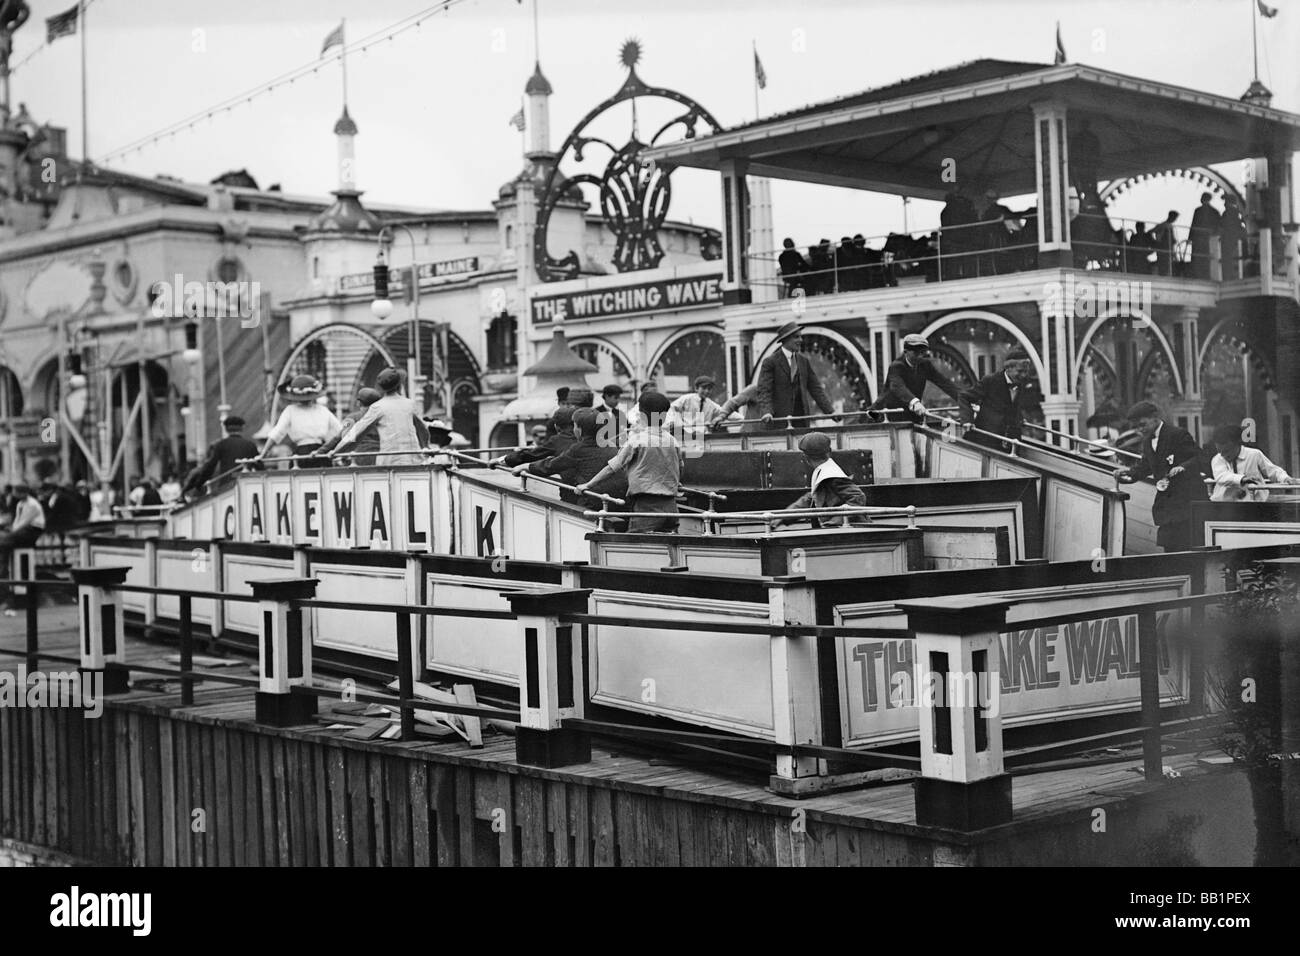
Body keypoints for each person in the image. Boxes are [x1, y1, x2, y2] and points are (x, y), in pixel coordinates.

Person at [577, 391, 682, 532]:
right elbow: (680, 466)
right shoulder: (672, 440)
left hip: (647, 505)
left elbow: (612, 467)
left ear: (641, 414)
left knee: (635, 545)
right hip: (671, 506)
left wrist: (588, 485)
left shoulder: (637, 439)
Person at [1116, 401, 1206, 552]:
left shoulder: (1178, 434)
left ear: (1155, 417)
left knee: (1190, 551)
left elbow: (1200, 459)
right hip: (1167, 509)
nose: (1140, 429)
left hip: (1187, 506)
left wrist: (1182, 467)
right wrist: (1127, 475)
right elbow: (1145, 467)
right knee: (1170, 551)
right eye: (1136, 426)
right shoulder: (1147, 442)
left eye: (1142, 424)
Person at [521, 408, 629, 506]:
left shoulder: (579, 449)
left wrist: (527, 466)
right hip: (618, 501)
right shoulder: (611, 444)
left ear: (580, 430)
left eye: (574, 425)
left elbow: (551, 466)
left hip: (594, 502)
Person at [331, 368, 429, 467]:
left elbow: (356, 432)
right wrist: (426, 447)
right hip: (413, 460)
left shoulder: (378, 407)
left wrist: (335, 451)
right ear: (399, 385)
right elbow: (423, 429)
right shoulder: (410, 404)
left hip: (390, 462)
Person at [776, 432, 868, 528]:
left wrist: (835, 522)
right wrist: (782, 517)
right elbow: (811, 498)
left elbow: (858, 498)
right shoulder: (824, 470)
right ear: (829, 452)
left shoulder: (832, 474)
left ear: (806, 457)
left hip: (851, 530)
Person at [755, 322, 836, 428]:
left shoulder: (803, 361)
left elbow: (816, 389)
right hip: (779, 421)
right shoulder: (770, 362)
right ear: (786, 339)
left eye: (800, 337)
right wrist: (767, 412)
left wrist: (831, 412)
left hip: (802, 420)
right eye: (796, 337)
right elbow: (764, 390)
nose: (800, 340)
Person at [959, 348, 1042, 451]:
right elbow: (964, 397)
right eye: (1020, 371)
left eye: (1025, 372)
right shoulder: (990, 381)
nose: (1023, 375)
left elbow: (1012, 405)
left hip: (1010, 442)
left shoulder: (1021, 382)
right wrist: (967, 420)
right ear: (1008, 368)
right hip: (986, 440)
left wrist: (1019, 417)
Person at [871, 334, 963, 423]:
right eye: (916, 353)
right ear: (906, 352)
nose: (920, 356)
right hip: (886, 415)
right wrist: (914, 402)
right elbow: (897, 387)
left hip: (911, 415)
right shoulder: (896, 366)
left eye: (922, 353)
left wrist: (964, 400)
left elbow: (944, 383)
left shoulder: (925, 365)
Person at [260, 375, 343, 468]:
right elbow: (341, 431)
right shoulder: (323, 410)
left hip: (301, 455)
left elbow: (277, 433)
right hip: (322, 454)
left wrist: (264, 452)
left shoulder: (290, 410)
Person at [1209, 423, 1299, 502]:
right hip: (1226, 505)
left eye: (1227, 451)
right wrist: (1242, 479)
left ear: (1238, 443)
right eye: (1219, 451)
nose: (1223, 455)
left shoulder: (1254, 454)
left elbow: (1272, 470)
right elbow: (1221, 477)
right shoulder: (1217, 459)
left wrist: (1286, 478)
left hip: (1254, 503)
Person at [184, 415, 263, 496]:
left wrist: (199, 484)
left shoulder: (220, 445)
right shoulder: (250, 445)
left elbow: (210, 466)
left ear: (226, 429)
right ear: (242, 428)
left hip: (226, 488)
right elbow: (260, 467)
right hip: (246, 486)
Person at [0, 483, 44, 610]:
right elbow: (17, 521)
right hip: (22, 530)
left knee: (4, 541)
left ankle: (3, 565)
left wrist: (11, 533)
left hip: (32, 530)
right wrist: (11, 530)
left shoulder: (32, 505)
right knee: (3, 538)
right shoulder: (20, 504)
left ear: (23, 493)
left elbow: (24, 522)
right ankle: (3, 563)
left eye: (16, 492)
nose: (14, 494)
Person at [317, 389, 383, 466]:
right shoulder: (382, 416)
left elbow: (340, 438)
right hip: (382, 456)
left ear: (358, 403)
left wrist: (320, 451)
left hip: (359, 458)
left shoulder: (352, 418)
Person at [500, 406, 577, 468]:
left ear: (556, 426)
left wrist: (504, 460)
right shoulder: (583, 438)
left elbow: (532, 456)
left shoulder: (558, 440)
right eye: (540, 437)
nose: (542, 440)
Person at [666, 376, 723, 442]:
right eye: (704, 388)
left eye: (709, 389)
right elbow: (671, 408)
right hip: (685, 435)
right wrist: (672, 421)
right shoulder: (687, 399)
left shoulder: (711, 404)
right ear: (696, 388)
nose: (707, 391)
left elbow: (725, 412)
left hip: (702, 437)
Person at [1189, 192, 1222, 280]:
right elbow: (1219, 226)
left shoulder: (1198, 211)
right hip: (1209, 239)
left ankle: (1197, 275)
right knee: (1208, 258)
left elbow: (1194, 225)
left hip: (1198, 239)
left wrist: (1190, 238)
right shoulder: (1215, 212)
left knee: (1198, 258)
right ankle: (1207, 275)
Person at [1069, 118, 1101, 202]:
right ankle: (1090, 197)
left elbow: (1096, 151)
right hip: (1086, 166)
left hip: (1086, 166)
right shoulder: (1091, 137)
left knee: (1087, 182)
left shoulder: (1079, 138)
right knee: (1087, 182)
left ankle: (1090, 197)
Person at [1220, 196, 1247, 280]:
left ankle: (1228, 276)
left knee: (1227, 260)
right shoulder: (1237, 213)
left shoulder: (1227, 213)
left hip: (1228, 240)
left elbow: (1223, 225)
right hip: (1236, 239)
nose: (1224, 204)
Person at [1149, 211, 1179, 276]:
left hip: (1169, 249)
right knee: (1163, 265)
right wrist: (1155, 242)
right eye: (1175, 218)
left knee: (1168, 265)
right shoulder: (1162, 225)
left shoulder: (1170, 226)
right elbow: (1150, 232)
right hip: (1163, 249)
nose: (1175, 219)